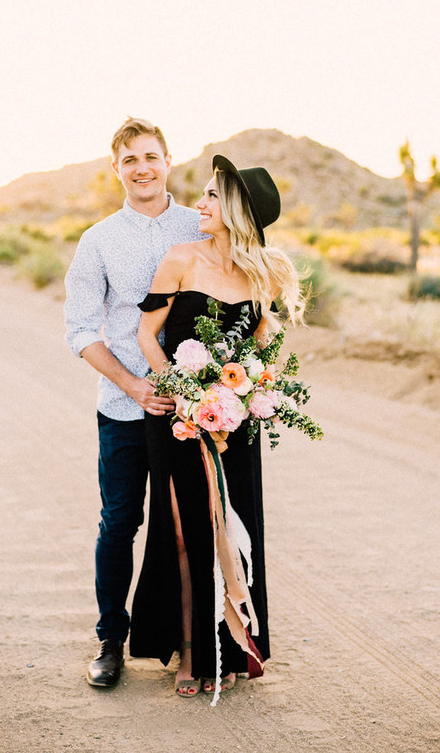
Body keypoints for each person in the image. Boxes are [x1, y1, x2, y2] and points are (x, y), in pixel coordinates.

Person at [129, 154, 304, 701]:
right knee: (183, 533)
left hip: (236, 425)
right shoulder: (180, 258)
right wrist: (181, 391)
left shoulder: (266, 271)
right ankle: (190, 651)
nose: (198, 205)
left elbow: (262, 346)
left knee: (235, 532)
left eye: (209, 197)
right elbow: (146, 336)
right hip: (180, 420)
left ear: (234, 210)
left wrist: (252, 389)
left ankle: (230, 648)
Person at [64, 117, 206, 687]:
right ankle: (110, 640)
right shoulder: (97, 240)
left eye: (151, 157)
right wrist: (132, 384)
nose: (142, 169)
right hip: (123, 409)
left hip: (194, 412)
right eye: (130, 160)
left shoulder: (200, 227)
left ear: (168, 160)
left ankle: (188, 641)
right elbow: (79, 330)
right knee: (120, 523)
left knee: (187, 526)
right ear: (116, 168)